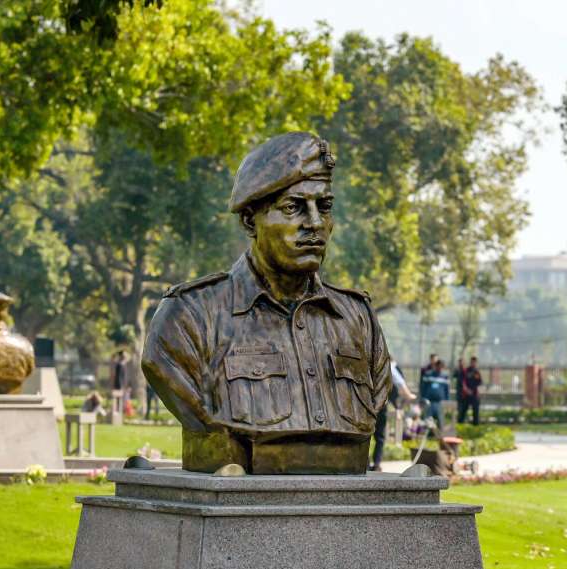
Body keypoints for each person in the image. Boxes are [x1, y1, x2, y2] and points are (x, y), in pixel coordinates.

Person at [142, 132, 391, 474]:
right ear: (249, 220)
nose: (315, 223)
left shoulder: (358, 319)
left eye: (325, 206)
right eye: (293, 208)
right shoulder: (189, 317)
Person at [370, 360, 416, 471]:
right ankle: (376, 464)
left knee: (365, 435)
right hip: (380, 404)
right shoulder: (388, 365)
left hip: (367, 403)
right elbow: (399, 381)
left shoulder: (368, 362)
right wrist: (409, 395)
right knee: (380, 437)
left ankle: (365, 463)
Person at [420, 358, 450, 429]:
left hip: (440, 402)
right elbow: (423, 388)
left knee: (440, 419)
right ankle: (428, 434)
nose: (440, 368)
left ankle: (440, 434)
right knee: (428, 419)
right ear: (435, 366)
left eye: (441, 367)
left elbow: (446, 390)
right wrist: (423, 398)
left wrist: (447, 401)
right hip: (429, 402)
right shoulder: (428, 374)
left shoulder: (445, 377)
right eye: (438, 366)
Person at [463, 356, 483, 425]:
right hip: (467, 394)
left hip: (474, 394)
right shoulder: (466, 371)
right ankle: (461, 424)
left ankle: (475, 426)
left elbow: (480, 382)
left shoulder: (477, 372)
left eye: (474, 362)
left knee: (475, 412)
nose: (473, 363)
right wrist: (466, 390)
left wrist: (477, 390)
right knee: (463, 410)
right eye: (472, 362)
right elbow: (463, 382)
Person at [454, 358, 469, 424]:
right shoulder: (457, 371)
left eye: (462, 362)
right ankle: (460, 421)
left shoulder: (466, 371)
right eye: (460, 362)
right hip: (459, 393)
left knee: (465, 408)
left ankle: (464, 420)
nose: (461, 364)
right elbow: (454, 377)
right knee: (459, 408)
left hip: (466, 393)